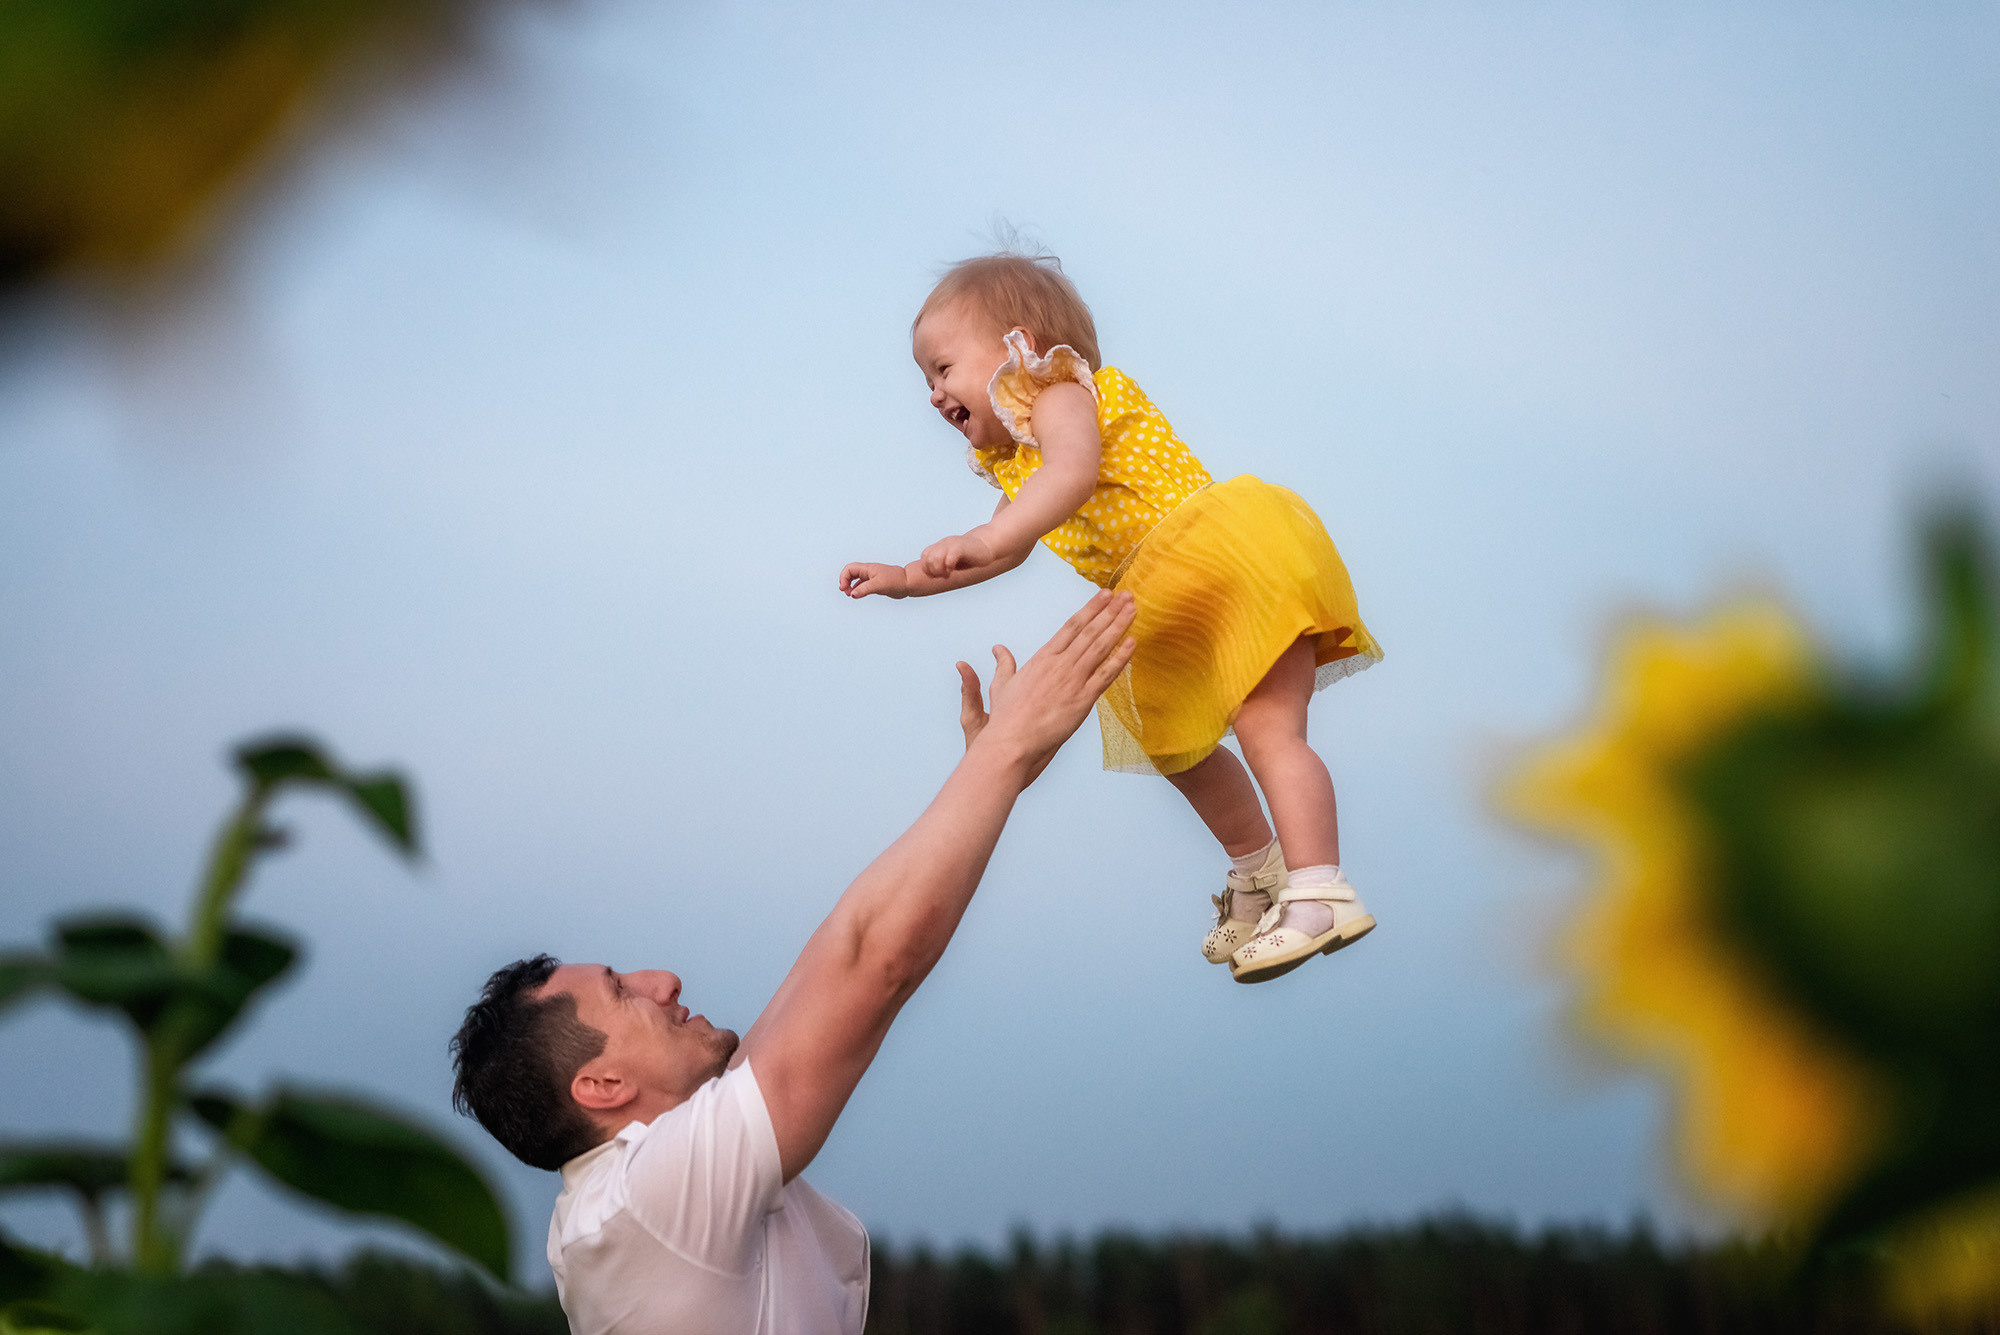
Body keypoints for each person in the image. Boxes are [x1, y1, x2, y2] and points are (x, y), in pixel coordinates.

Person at [450, 591, 1137, 1335]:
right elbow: (869, 964)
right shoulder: (643, 1203)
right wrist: (1005, 755)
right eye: (622, 992)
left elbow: (826, 971)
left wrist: (993, 770)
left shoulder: (635, 1195)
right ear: (603, 1084)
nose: (663, 980)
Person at [839, 251, 1384, 983]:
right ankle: (1261, 869)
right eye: (926, 380)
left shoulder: (1062, 394)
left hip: (1223, 563)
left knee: (1265, 728)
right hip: (1163, 600)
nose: (933, 394)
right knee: (1178, 749)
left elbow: (1071, 474)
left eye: (941, 368)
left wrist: (988, 534)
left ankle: (1322, 892)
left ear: (1017, 348)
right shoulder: (1015, 465)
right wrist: (908, 579)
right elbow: (1008, 549)